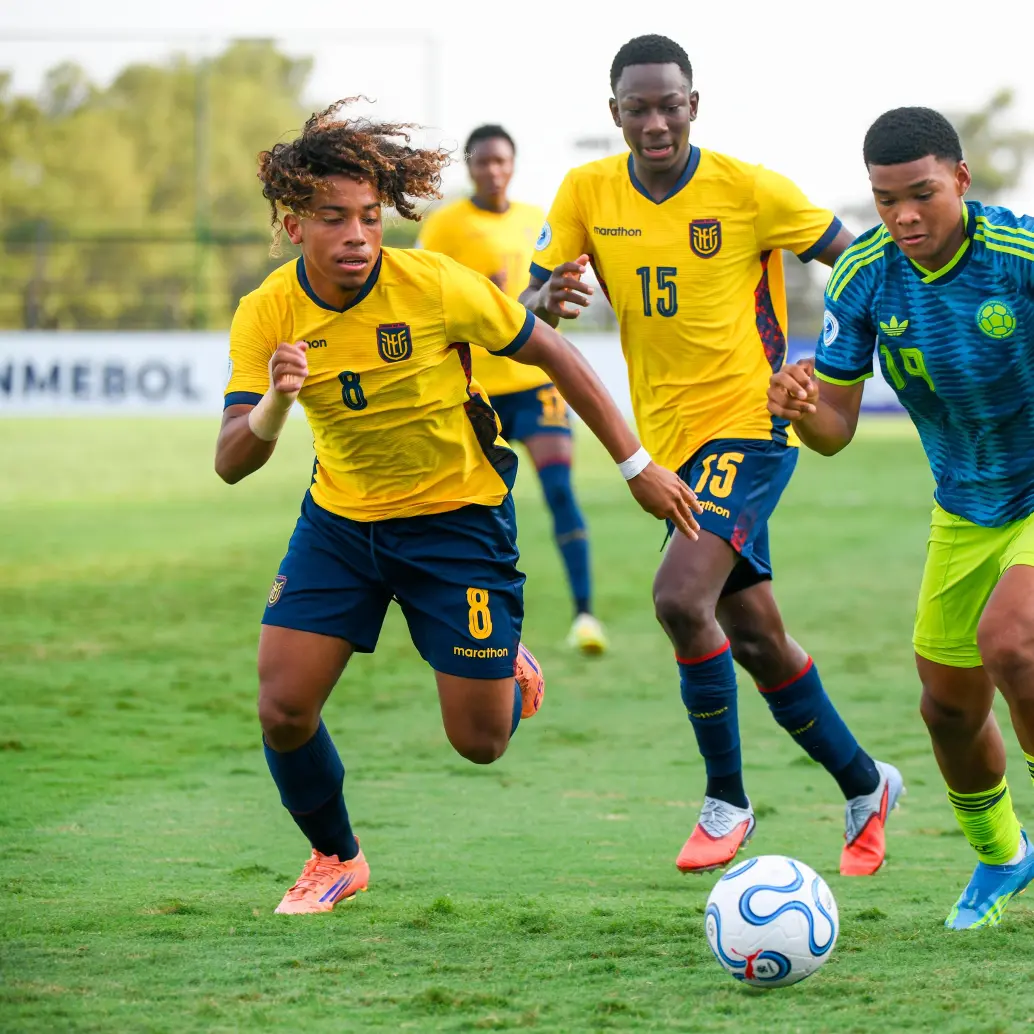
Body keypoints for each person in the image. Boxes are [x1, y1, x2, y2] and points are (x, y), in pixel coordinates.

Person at [215, 100, 699, 914]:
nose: (358, 235)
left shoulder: (433, 283)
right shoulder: (267, 311)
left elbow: (554, 353)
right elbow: (233, 459)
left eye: (370, 216)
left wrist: (636, 464)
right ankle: (335, 856)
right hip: (340, 523)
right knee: (283, 706)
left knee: (480, 743)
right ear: (293, 225)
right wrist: (272, 404)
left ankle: (514, 671)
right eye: (333, 218)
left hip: (457, 524)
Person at [521, 34, 901, 876]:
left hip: (752, 422)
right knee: (755, 636)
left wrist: (834, 362)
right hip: (671, 440)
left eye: (670, 105)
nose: (655, 122)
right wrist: (545, 294)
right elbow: (526, 306)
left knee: (677, 598)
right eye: (638, 108)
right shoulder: (586, 190)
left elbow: (864, 262)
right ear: (613, 112)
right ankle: (866, 783)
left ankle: (727, 799)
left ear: (696, 104)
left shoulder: (750, 189)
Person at [769, 106, 1034, 927]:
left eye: (922, 194)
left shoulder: (1019, 257)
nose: (905, 216)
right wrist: (797, 405)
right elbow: (836, 432)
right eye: (886, 201)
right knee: (946, 707)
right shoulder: (863, 278)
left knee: (1013, 642)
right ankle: (1002, 859)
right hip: (964, 505)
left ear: (960, 179)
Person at [417, 125, 605, 655]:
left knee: (561, 490)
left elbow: (545, 299)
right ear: (470, 167)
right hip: (479, 387)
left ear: (513, 164)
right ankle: (488, 622)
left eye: (501, 161)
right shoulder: (445, 225)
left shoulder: (536, 221)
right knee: (481, 507)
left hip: (535, 381)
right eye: (482, 162)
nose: (492, 170)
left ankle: (586, 616)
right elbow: (426, 294)